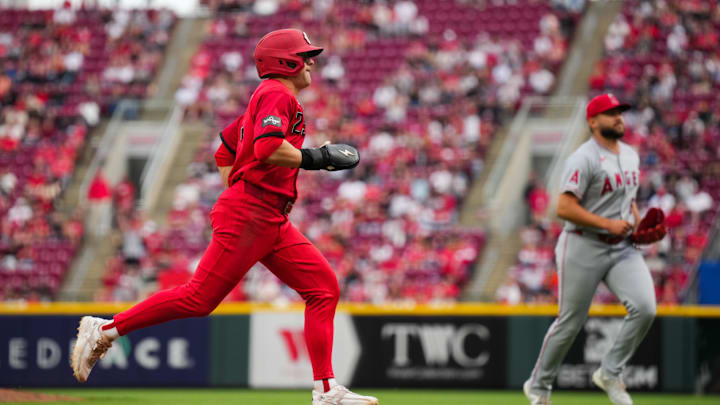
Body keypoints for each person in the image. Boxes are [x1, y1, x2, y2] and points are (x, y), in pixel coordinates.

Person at [71, 28, 377, 405]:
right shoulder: (277, 93)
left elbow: (225, 149)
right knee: (198, 299)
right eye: (305, 54)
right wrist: (318, 158)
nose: (311, 60)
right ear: (286, 61)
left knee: (323, 288)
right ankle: (105, 329)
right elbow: (266, 147)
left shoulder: (264, 98)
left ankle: (326, 390)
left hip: (268, 216)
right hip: (252, 212)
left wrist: (240, 188)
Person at [523, 94, 661, 405]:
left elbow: (630, 202)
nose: (618, 117)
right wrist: (607, 224)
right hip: (583, 243)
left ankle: (610, 372)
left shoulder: (630, 155)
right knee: (571, 320)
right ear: (593, 122)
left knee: (646, 307)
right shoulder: (582, 158)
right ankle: (539, 387)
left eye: (620, 112)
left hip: (622, 247)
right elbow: (563, 207)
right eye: (610, 113)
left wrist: (639, 228)